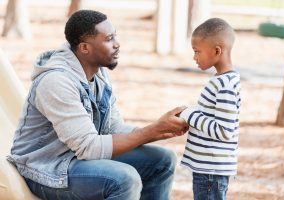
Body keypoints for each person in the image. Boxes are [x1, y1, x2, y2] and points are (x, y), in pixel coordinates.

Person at [8, 10, 188, 200]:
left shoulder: (97, 73)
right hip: (46, 168)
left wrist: (160, 130)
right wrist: (151, 131)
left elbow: (113, 128)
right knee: (124, 179)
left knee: (162, 160)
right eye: (109, 39)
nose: (117, 44)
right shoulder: (56, 81)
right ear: (85, 48)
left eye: (115, 36)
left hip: (76, 158)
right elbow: (89, 147)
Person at [179, 18, 241, 200]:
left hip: (211, 172)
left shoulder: (225, 85)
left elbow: (224, 130)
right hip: (208, 169)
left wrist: (190, 114)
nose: (194, 57)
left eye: (197, 51)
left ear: (217, 51)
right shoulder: (221, 81)